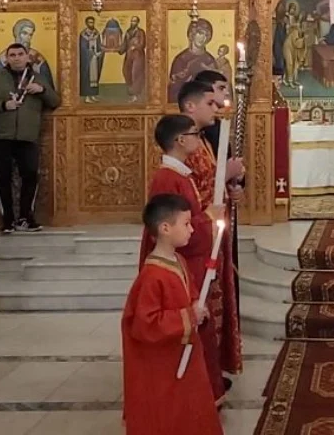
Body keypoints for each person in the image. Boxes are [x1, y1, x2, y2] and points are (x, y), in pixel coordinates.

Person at [140, 113, 228, 407]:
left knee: (201, 326)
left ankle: (206, 390)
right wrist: (208, 219)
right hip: (184, 263)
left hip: (190, 262)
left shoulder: (180, 175)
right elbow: (171, 228)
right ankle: (195, 393)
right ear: (180, 140)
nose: (199, 140)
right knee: (191, 325)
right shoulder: (168, 178)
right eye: (194, 135)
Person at [123, 194, 224, 435]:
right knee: (170, 416)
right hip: (165, 365)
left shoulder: (179, 260)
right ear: (165, 228)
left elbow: (189, 294)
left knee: (193, 410)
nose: (192, 229)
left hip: (187, 355)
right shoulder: (151, 277)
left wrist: (198, 307)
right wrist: (188, 316)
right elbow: (146, 324)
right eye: (186, 224)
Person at [176, 81, 244, 394]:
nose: (216, 107)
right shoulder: (184, 145)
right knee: (201, 309)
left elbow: (211, 189)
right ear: (191, 106)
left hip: (210, 237)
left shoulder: (201, 141)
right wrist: (224, 176)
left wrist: (229, 188)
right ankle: (201, 378)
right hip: (196, 241)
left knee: (213, 312)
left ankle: (211, 373)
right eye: (210, 103)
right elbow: (190, 197)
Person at [0, 43, 60, 233]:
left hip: (27, 135)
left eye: (20, 54)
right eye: (12, 55)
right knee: (2, 178)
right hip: (0, 135)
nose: (17, 58)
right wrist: (3, 105)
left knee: (30, 175)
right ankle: (7, 220)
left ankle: (25, 217)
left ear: (27, 57)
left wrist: (42, 91)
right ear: (7, 58)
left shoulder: (38, 78)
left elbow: (55, 101)